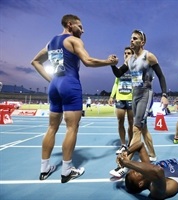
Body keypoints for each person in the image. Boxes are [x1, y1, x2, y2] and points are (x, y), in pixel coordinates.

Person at [31, 14, 118, 183]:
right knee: (71, 128)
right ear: (70, 25)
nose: (83, 31)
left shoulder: (50, 43)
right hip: (70, 84)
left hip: (55, 86)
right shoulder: (73, 40)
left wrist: (52, 80)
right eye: (80, 26)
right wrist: (109, 62)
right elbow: (88, 61)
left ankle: (44, 169)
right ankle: (67, 170)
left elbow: (35, 61)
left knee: (51, 127)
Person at [109, 30, 169, 177]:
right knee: (143, 128)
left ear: (142, 42)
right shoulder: (129, 60)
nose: (131, 40)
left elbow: (161, 76)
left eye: (135, 38)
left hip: (145, 94)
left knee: (136, 128)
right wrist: (112, 64)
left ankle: (125, 164)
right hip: (134, 94)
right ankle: (152, 155)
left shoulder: (149, 56)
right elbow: (118, 73)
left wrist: (164, 94)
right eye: (131, 38)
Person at [108, 47, 134, 154]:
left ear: (132, 55)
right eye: (125, 53)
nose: (126, 54)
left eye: (129, 53)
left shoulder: (135, 69)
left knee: (131, 123)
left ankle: (131, 144)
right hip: (120, 99)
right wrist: (111, 96)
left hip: (131, 99)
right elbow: (116, 84)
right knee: (120, 122)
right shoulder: (119, 69)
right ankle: (123, 144)